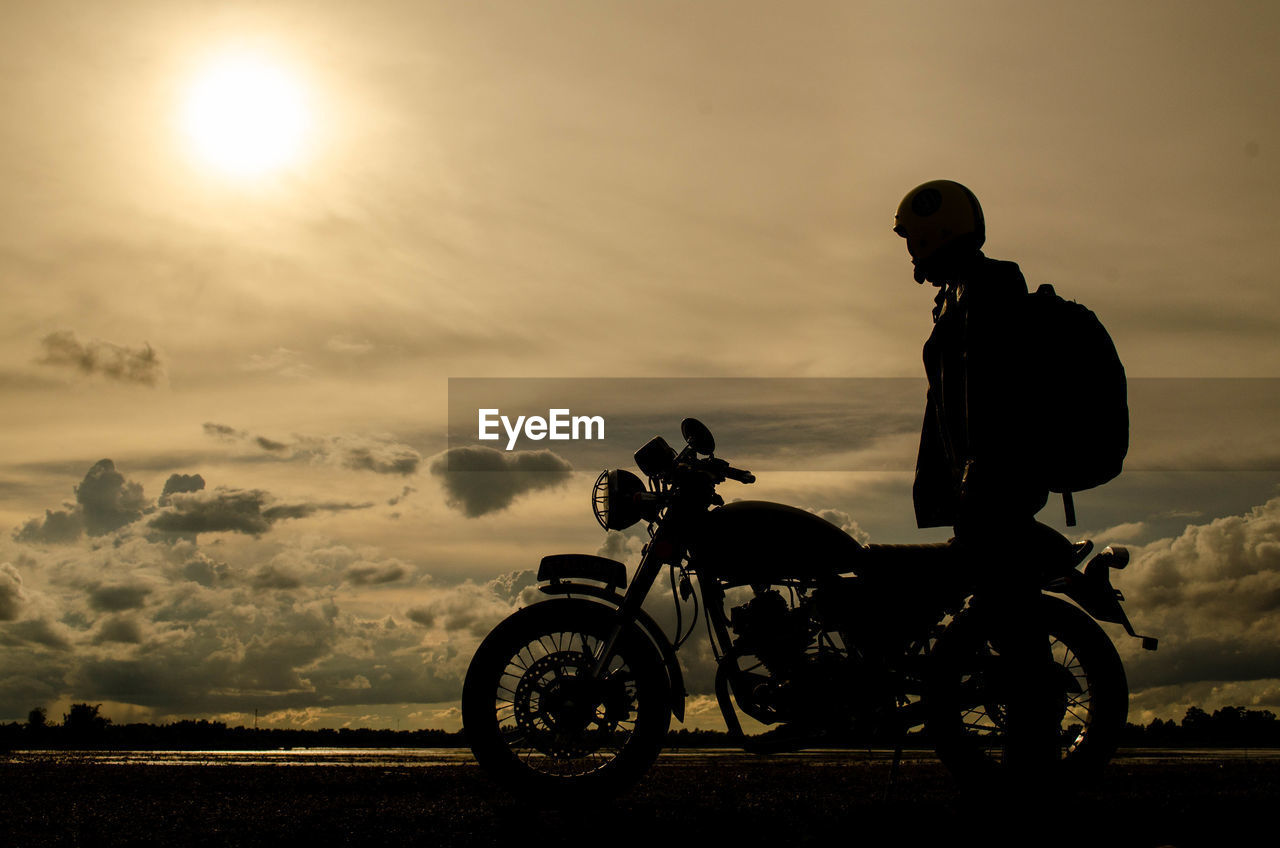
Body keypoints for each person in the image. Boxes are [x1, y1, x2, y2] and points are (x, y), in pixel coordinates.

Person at [894, 179, 1062, 783]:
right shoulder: (959, 297)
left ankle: (1030, 785)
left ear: (938, 230)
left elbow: (988, 402)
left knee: (1016, 641)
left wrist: (978, 475)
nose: (909, 250)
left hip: (996, 493)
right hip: (983, 492)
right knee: (1004, 633)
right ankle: (1024, 778)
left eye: (912, 237)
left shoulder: (988, 292)